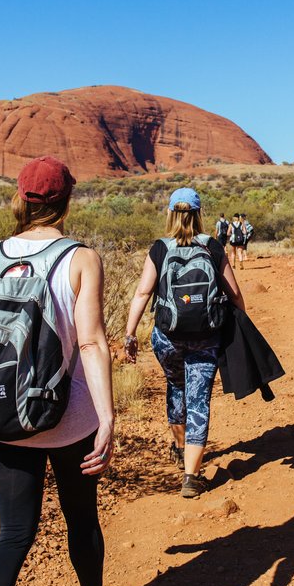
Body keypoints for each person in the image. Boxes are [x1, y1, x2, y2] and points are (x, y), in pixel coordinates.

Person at [0, 156, 124, 586]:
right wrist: (107, 418)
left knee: (13, 536)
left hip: (1, 410)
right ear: (66, 201)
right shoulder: (80, 258)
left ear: (21, 198)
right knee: (81, 520)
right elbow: (92, 343)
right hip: (68, 418)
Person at [123, 188, 246, 498]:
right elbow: (234, 293)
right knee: (199, 397)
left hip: (167, 336)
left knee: (176, 386)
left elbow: (142, 293)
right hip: (206, 336)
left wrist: (129, 333)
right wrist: (242, 326)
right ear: (198, 214)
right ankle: (191, 477)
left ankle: (180, 448)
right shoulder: (212, 247)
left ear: (171, 213)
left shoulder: (160, 248)